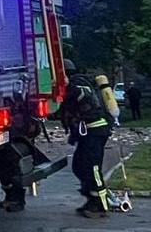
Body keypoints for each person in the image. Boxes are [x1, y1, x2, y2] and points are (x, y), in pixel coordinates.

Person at [57, 58, 113, 219]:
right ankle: (91, 197)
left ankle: (101, 204)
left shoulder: (79, 84)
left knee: (93, 168)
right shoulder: (71, 87)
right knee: (79, 166)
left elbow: (80, 94)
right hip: (86, 133)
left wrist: (67, 84)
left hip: (95, 131)